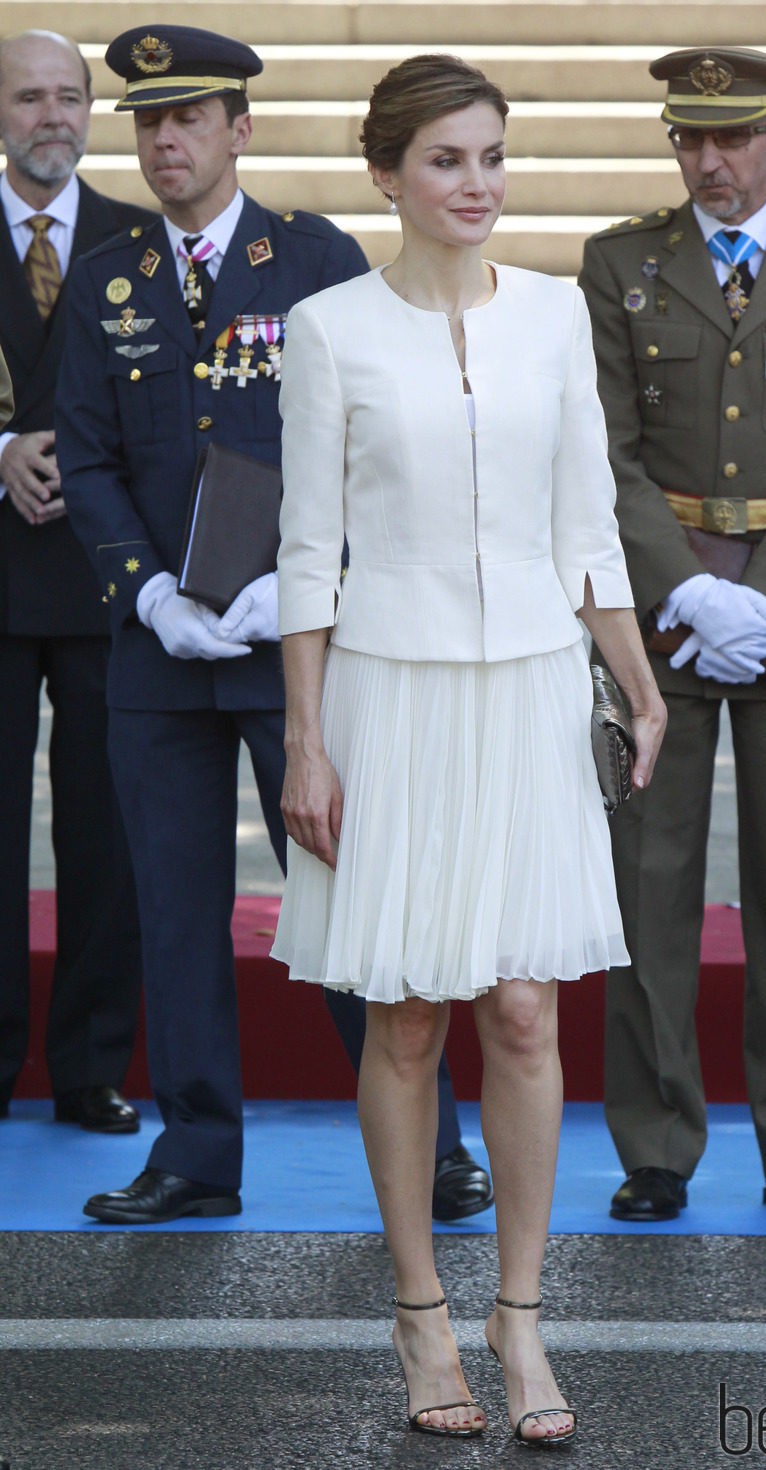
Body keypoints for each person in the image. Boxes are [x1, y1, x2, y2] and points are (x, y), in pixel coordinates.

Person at [271, 53, 666, 1445]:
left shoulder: (556, 317)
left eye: (492, 156)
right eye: (446, 160)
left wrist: (634, 672)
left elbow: (588, 524)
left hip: (531, 691)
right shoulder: (328, 330)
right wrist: (306, 740)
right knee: (407, 1011)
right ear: (387, 173)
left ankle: (521, 1316)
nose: (477, 184)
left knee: (524, 1008)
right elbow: (308, 553)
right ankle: (420, 1313)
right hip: (390, 692)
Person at [56, 25, 487, 1226]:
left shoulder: (311, 259)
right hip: (158, 653)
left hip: (294, 649)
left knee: (350, 894)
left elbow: (370, 437)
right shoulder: (108, 277)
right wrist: (144, 591)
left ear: (238, 130)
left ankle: (433, 1142)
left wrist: (311, 581)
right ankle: (196, 1153)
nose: (163, 142)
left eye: (188, 119)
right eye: (146, 121)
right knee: (173, 906)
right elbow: (85, 460)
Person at [578, 47, 766, 1224]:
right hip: (657, 610)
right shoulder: (620, 263)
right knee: (646, 877)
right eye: (686, 139)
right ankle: (654, 1145)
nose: (707, 161)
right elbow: (601, 450)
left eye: (731, 138)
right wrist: (683, 592)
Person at [0, 29, 148, 1133]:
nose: (52, 117)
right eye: (27, 98)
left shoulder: (139, 243)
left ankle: (91, 1066)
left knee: (105, 831)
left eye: (69, 97)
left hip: (105, 581)